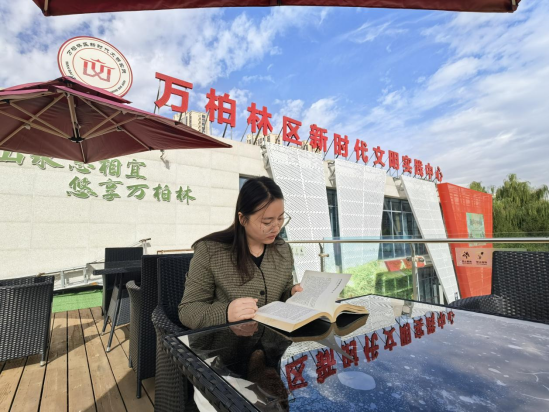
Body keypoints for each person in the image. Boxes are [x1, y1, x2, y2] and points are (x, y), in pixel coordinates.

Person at [179, 176, 303, 330]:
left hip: (274, 341)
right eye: (267, 222)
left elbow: (281, 295)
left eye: (280, 218)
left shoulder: (282, 249)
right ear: (243, 219)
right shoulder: (210, 251)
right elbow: (188, 311)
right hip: (225, 342)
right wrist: (226, 313)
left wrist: (291, 294)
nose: (276, 228)